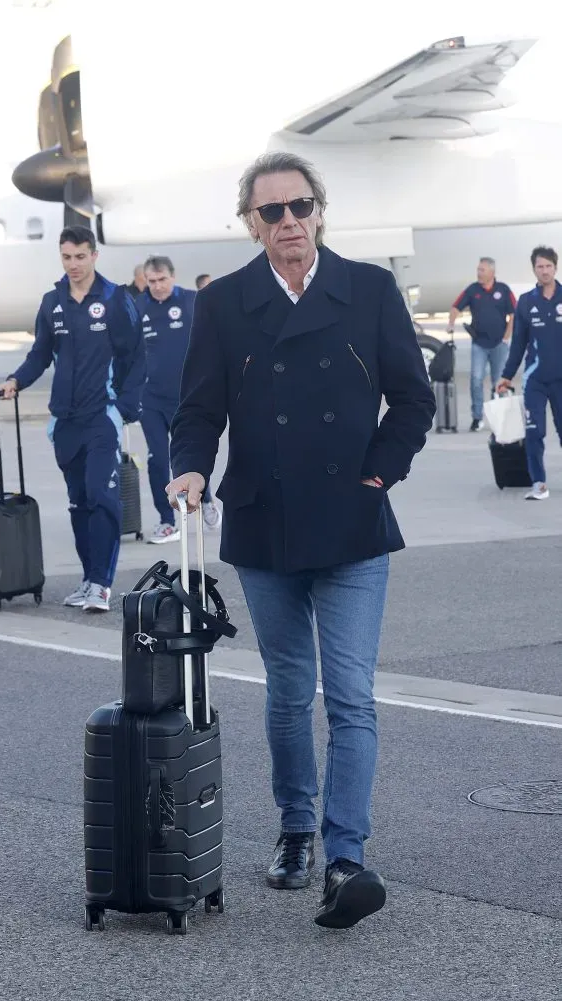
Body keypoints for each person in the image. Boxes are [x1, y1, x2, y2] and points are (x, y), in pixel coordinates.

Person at [167, 151, 435, 930]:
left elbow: (412, 400)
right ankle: (294, 830)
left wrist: (378, 476)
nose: (287, 222)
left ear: (320, 210)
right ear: (249, 223)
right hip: (265, 520)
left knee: (350, 696)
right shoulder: (224, 304)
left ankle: (344, 854)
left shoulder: (370, 289)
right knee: (289, 692)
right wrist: (187, 468)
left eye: (299, 207)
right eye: (270, 212)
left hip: (351, 521)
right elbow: (197, 408)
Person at [0, 226, 145, 610]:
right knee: (79, 503)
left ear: (94, 255)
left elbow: (136, 358)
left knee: (102, 497)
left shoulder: (115, 299)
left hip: (101, 418)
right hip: (65, 421)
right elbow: (40, 354)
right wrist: (16, 381)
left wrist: (124, 409)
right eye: (67, 257)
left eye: (80, 256)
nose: (74, 264)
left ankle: (101, 585)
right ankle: (87, 577)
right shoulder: (52, 302)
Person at [137, 255, 221, 544]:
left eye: (162, 280)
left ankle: (207, 498)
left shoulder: (191, 301)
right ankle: (165, 520)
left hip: (185, 396)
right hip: (150, 398)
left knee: (186, 456)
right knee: (157, 458)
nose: (157, 286)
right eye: (152, 281)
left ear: (172, 277)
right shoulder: (139, 307)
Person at [497, 246, 562, 501]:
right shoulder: (526, 301)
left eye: (548, 266)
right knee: (534, 432)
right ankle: (539, 484)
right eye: (539, 266)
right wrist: (506, 375)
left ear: (555, 267)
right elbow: (518, 344)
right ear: (534, 269)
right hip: (535, 379)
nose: (544, 271)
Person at [447, 258, 516, 432]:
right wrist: (451, 323)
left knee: (498, 382)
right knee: (476, 380)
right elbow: (456, 307)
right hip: (479, 344)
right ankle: (477, 418)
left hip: (499, 344)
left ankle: (498, 418)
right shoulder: (473, 290)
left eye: (482, 270)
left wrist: (507, 337)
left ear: (492, 272)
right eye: (478, 269)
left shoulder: (504, 290)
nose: (479, 273)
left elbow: (514, 314)